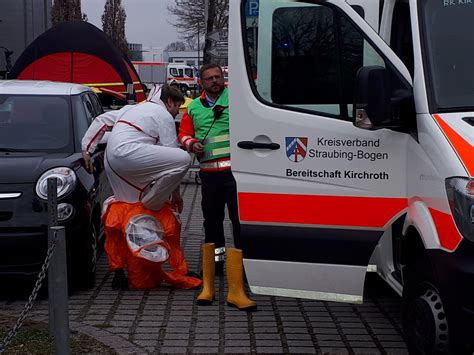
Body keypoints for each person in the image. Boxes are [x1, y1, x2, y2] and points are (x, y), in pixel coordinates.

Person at [82, 84, 196, 290]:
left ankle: (118, 271)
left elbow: (100, 121)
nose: (176, 113)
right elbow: (171, 155)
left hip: (113, 164)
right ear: (169, 102)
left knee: (125, 214)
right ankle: (153, 203)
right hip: (131, 157)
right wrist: (175, 194)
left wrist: (87, 149)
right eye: (177, 107)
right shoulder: (163, 115)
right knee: (182, 159)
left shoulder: (131, 108)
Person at [178, 64, 256, 311]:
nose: (215, 81)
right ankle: (218, 264)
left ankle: (244, 269)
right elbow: (183, 133)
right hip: (209, 176)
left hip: (235, 174)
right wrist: (191, 144)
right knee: (212, 224)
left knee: (239, 223)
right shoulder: (193, 107)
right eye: (210, 78)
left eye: (218, 77)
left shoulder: (236, 99)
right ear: (201, 82)